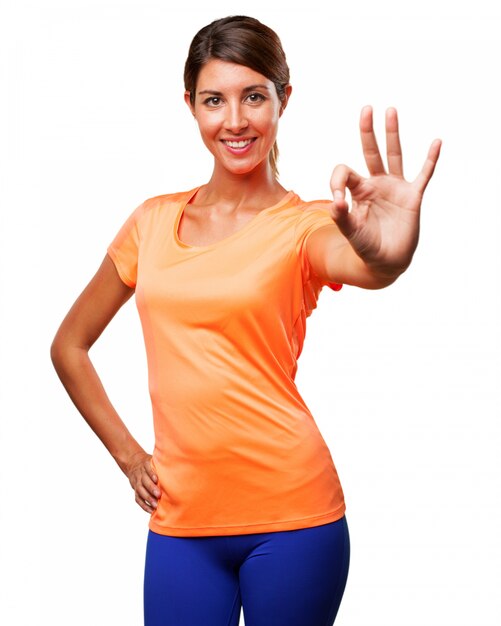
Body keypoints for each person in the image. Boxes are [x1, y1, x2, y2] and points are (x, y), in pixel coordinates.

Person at [50, 14, 441, 626]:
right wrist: (129, 457)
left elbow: (367, 264)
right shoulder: (150, 223)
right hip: (182, 524)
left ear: (283, 99)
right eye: (215, 100)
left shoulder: (308, 224)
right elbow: (69, 345)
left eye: (254, 96)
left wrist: (389, 252)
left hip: (295, 522)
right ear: (191, 106)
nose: (235, 121)